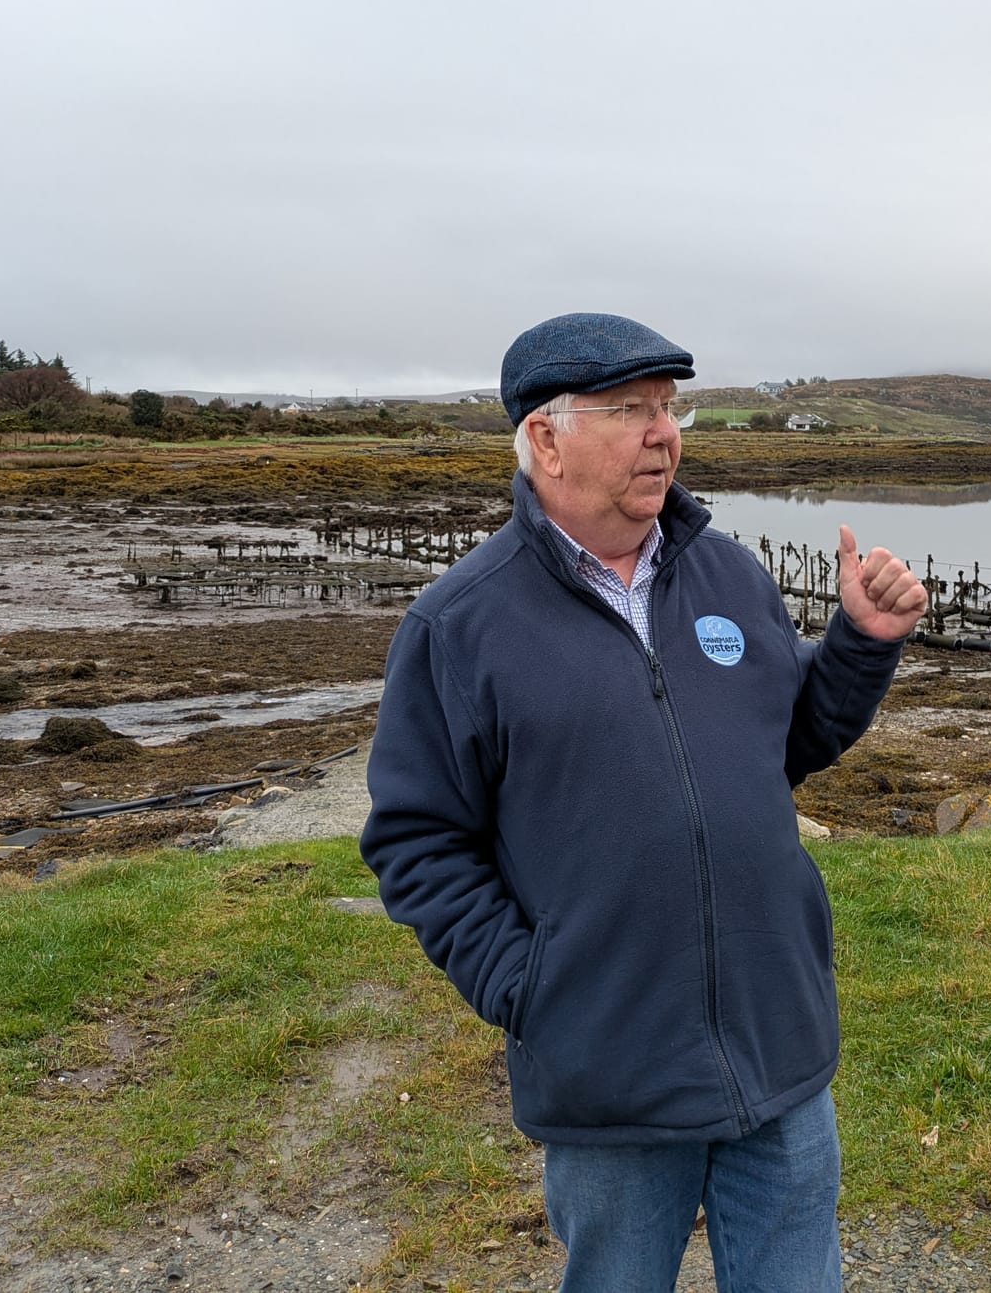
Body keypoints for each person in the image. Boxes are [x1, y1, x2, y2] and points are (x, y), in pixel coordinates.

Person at [362, 312, 926, 1292]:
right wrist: (531, 986)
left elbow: (783, 740)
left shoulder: (727, 573)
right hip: (609, 1068)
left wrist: (858, 644)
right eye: (630, 409)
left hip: (775, 1035)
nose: (663, 432)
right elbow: (417, 840)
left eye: (670, 407)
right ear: (544, 436)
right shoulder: (459, 624)